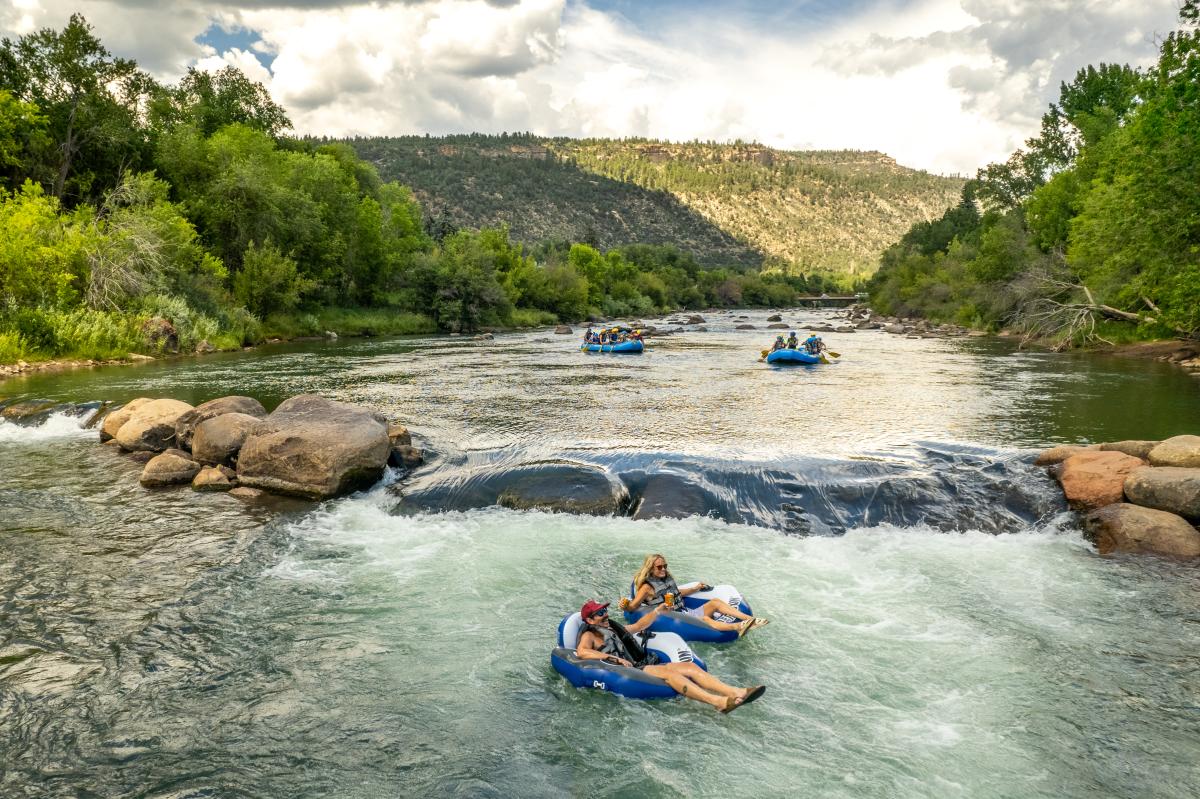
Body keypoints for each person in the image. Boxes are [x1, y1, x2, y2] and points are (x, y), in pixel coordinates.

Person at [576, 599, 766, 712]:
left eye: (605, 610)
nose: (605, 614)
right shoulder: (590, 635)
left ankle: (736, 691)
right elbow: (582, 652)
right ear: (590, 620)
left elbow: (638, 626)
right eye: (600, 612)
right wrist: (615, 659)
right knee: (671, 675)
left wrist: (657, 611)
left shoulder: (613, 627)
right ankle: (718, 702)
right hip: (630, 669)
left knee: (691, 668)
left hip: (639, 663)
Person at [622, 554, 767, 637]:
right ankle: (738, 626)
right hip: (675, 618)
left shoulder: (666, 578)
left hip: (685, 612)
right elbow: (634, 606)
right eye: (659, 567)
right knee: (704, 619)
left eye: (665, 566)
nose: (663, 569)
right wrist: (625, 605)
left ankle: (751, 620)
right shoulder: (647, 587)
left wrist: (695, 588)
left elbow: (678, 593)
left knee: (715, 602)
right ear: (651, 568)